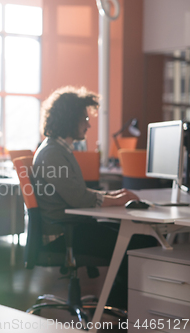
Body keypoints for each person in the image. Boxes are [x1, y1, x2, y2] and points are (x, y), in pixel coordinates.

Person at [33, 86, 156, 307]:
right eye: (84, 119)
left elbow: (78, 193)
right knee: (139, 243)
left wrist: (111, 195)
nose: (88, 124)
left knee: (133, 237)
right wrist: (114, 199)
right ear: (71, 119)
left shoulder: (58, 150)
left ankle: (117, 306)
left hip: (71, 227)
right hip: (65, 234)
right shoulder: (52, 154)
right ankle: (119, 310)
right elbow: (78, 199)